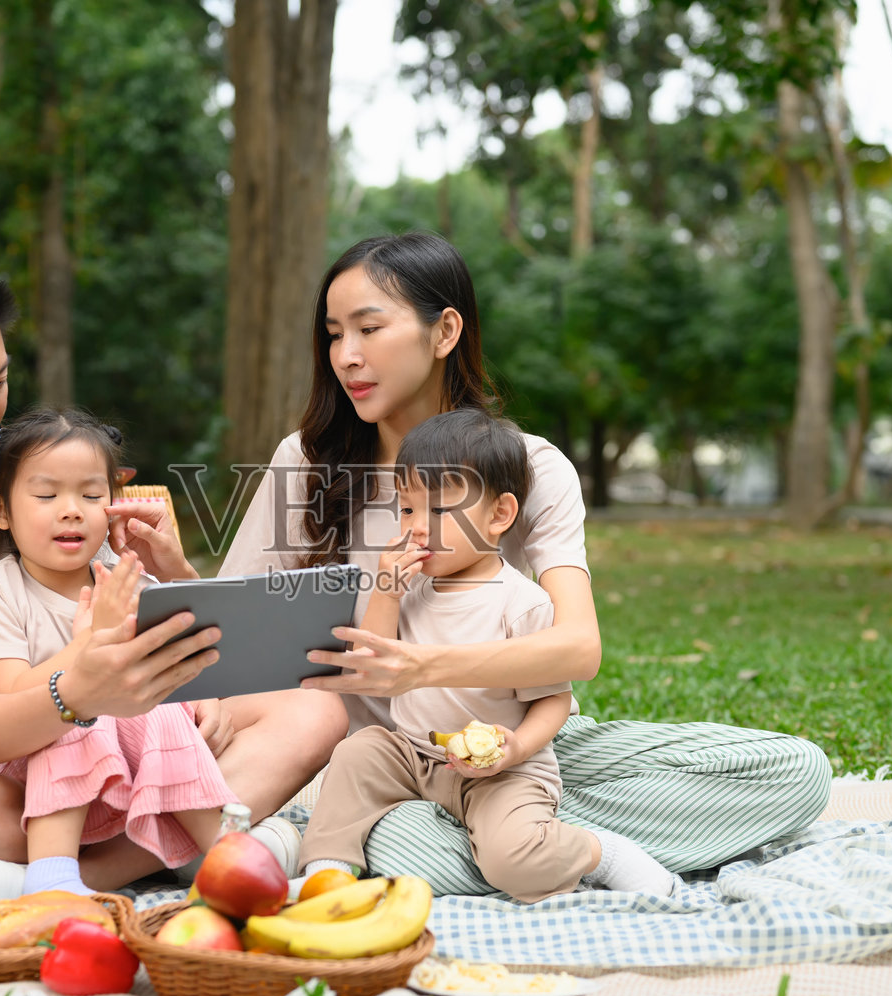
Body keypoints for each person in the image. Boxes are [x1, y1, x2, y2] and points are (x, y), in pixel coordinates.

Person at [218, 231, 832, 894]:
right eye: (334, 334)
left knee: (797, 772)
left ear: (445, 330)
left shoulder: (532, 467)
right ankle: (489, 844)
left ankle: (510, 840)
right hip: (381, 762)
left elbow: (578, 647)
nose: (347, 356)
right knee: (389, 809)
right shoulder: (306, 463)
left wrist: (432, 675)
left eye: (369, 328)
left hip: (515, 746)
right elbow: (232, 638)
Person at [0, 238, 344, 889]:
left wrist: (176, 581)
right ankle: (172, 852)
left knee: (314, 709)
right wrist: (72, 693)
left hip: (118, 743)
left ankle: (78, 869)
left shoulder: (40, 467)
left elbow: (140, 630)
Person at [298, 409, 674, 901]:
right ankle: (326, 873)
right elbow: (370, 663)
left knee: (514, 864)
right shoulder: (410, 588)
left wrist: (516, 749)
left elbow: (553, 701)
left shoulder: (521, 604)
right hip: (414, 754)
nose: (416, 527)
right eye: (407, 509)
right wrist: (386, 592)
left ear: (499, 515)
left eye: (438, 511)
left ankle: (600, 852)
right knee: (358, 752)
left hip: (504, 771)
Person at [0, 408, 239, 898]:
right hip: (35, 773)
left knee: (163, 704)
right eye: (47, 495)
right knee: (77, 709)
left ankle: (223, 857)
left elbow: (192, 650)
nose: (72, 509)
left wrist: (199, 692)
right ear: (1, 511)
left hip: (129, 771)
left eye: (91, 495)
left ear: (114, 505)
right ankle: (53, 876)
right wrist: (86, 647)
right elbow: (12, 697)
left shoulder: (124, 578)